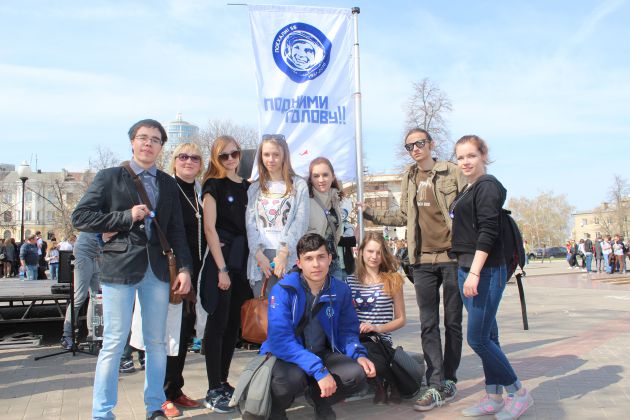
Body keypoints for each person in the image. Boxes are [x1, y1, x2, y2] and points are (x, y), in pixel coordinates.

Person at [72, 119, 192, 420]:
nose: (148, 143)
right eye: (143, 137)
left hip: (158, 271)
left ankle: (154, 406)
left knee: (156, 342)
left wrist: (185, 269)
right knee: (114, 342)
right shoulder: (110, 177)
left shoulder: (168, 183)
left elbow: (177, 231)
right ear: (132, 142)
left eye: (155, 139)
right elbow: (81, 217)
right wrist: (125, 216)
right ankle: (102, 413)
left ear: (161, 147)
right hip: (119, 268)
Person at [363, 128, 466, 412]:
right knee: (428, 324)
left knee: (453, 322)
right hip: (421, 261)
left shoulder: (452, 172)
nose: (415, 149)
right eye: (410, 146)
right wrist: (369, 212)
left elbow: (467, 209)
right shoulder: (408, 176)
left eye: (420, 143)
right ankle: (435, 382)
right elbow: (402, 216)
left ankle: (449, 379)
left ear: (431, 144)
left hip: (451, 257)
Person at [450, 135, 533, 419]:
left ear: (483, 155)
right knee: (489, 336)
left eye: (471, 155)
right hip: (466, 268)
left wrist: (474, 272)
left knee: (478, 339)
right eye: (460, 157)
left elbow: (488, 232)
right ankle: (494, 396)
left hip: (484, 270)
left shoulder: (487, 185)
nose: (465, 162)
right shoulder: (468, 188)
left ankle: (519, 393)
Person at [260, 233, 376, 420]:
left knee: (356, 373)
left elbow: (347, 331)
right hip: (288, 356)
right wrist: (319, 370)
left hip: (322, 352)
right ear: (299, 263)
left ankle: (320, 400)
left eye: (321, 257)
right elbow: (280, 341)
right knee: (288, 380)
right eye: (309, 259)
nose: (316, 264)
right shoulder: (283, 290)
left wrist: (358, 354)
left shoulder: (341, 290)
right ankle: (276, 410)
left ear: (330, 259)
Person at [197, 136, 251, 413]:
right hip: (222, 260)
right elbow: (210, 228)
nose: (230, 159)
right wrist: (222, 269)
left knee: (233, 327)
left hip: (243, 261)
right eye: (223, 156)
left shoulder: (248, 187)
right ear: (215, 159)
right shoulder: (213, 185)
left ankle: (223, 381)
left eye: (234, 154)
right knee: (217, 326)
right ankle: (212, 388)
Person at [156, 143, 207, 417]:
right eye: (183, 157)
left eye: (194, 158)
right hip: (173, 271)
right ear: (174, 161)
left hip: (196, 271)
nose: (189, 161)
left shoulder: (199, 192)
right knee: (168, 334)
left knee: (184, 331)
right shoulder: (167, 188)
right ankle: (161, 394)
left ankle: (175, 389)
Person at [246, 134, 309, 298]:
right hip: (261, 259)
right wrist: (258, 255)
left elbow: (300, 223)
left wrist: (283, 254)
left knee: (289, 308)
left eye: (276, 154)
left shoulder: (299, 185)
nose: (271, 159)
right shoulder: (254, 189)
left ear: (284, 156)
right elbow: (250, 225)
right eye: (266, 154)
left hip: (288, 255)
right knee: (263, 310)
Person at [347, 233, 406, 404]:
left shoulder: (393, 280)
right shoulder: (349, 281)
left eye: (379, 252)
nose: (374, 256)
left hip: (380, 338)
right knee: (361, 348)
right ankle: (385, 383)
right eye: (370, 251)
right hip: (357, 337)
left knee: (370, 349)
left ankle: (384, 383)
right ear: (361, 252)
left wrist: (377, 328)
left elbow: (401, 319)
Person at [307, 157, 357, 283]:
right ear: (310, 179)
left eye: (325, 175)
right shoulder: (305, 201)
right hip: (314, 265)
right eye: (316, 176)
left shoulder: (335, 199)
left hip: (334, 262)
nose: (321, 180)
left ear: (333, 176)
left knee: (337, 296)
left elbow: (337, 235)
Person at [59, 232, 102, 349]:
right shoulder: (99, 220)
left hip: (95, 256)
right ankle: (67, 336)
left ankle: (92, 335)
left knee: (95, 298)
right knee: (79, 297)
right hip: (83, 255)